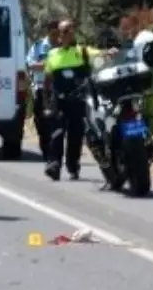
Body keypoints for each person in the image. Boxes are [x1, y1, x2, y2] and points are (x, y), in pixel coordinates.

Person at [41, 20, 114, 181]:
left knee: (75, 135)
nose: (67, 34)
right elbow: (47, 79)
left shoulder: (82, 51)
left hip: (78, 101)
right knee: (57, 133)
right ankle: (54, 165)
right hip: (59, 100)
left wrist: (109, 52)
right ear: (59, 35)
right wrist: (46, 101)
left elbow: (99, 54)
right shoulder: (53, 55)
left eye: (70, 30)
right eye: (64, 31)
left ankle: (73, 166)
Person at [26, 19, 61, 157]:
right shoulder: (39, 46)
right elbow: (31, 65)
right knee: (41, 121)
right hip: (41, 89)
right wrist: (50, 65)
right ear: (48, 32)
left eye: (57, 33)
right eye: (53, 33)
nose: (55, 36)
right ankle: (45, 147)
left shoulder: (63, 46)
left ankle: (54, 150)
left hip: (58, 88)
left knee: (56, 121)